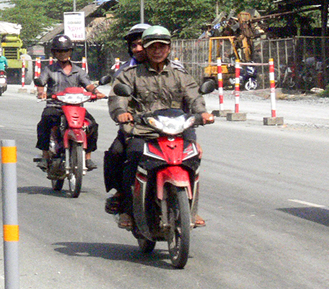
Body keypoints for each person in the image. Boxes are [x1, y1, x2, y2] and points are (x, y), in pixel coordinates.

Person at [108, 25, 214, 229]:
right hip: (144, 132)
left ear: (169, 48)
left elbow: (194, 97)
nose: (157, 51)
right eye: (152, 47)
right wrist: (121, 113)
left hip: (177, 130)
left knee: (193, 158)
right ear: (145, 49)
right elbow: (118, 98)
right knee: (133, 156)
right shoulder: (130, 75)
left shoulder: (180, 75)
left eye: (162, 46)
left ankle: (191, 208)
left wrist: (202, 113)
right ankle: (128, 210)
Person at [36, 34, 102, 171]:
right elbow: (41, 83)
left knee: (92, 125)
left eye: (66, 50)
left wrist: (96, 93)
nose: (62, 54)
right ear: (54, 53)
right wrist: (41, 92)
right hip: (55, 106)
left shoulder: (79, 71)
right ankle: (45, 155)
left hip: (75, 107)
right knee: (45, 122)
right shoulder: (49, 70)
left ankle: (87, 158)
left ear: (70, 51)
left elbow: (88, 85)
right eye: (59, 51)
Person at [103, 24, 148, 213]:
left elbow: (190, 95)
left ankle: (188, 205)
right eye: (134, 45)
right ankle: (122, 195)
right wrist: (122, 113)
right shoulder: (125, 72)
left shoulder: (175, 70)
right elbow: (117, 98)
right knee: (116, 153)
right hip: (136, 127)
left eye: (142, 44)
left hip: (169, 127)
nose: (138, 49)